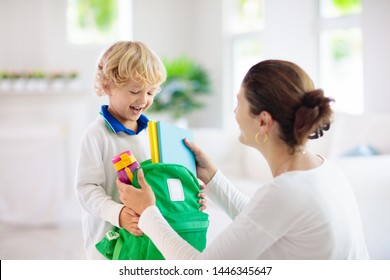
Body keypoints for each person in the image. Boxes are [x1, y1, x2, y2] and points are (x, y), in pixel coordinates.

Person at [116, 59, 370, 259]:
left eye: (239, 104)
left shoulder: (285, 191)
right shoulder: (324, 171)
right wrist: (213, 178)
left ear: (263, 121)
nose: (234, 113)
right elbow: (261, 222)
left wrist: (147, 211)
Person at [75, 41, 167, 259]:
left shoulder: (152, 133)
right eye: (135, 91)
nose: (143, 100)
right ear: (107, 86)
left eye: (151, 92)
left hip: (146, 242)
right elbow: (86, 189)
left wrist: (189, 195)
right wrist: (118, 214)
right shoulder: (96, 135)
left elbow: (161, 180)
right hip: (108, 247)